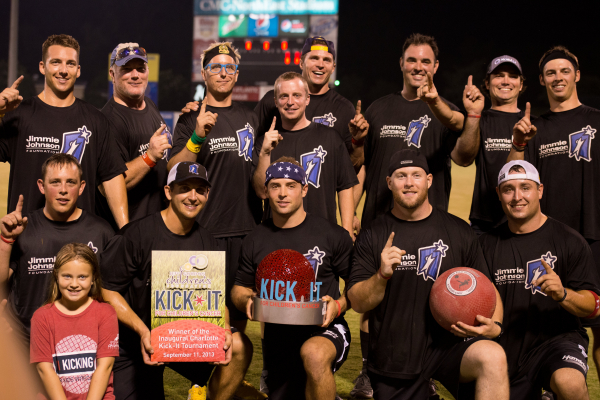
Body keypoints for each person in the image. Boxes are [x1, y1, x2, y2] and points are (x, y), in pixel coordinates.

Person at [350, 33, 483, 398]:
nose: (418, 67)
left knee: (428, 294)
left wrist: (456, 109)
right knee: (375, 297)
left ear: (435, 67)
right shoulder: (379, 108)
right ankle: (368, 370)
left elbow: (466, 153)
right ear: (401, 63)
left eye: (426, 61)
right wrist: (352, 212)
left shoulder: (444, 110)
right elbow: (360, 164)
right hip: (381, 218)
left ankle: (426, 372)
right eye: (412, 60)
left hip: (429, 221)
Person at [347, 149, 509, 400]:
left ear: (429, 180)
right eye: (401, 176)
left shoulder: (459, 231)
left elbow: (486, 284)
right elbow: (358, 302)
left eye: (416, 175)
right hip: (396, 354)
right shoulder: (373, 234)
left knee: (492, 356)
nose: (409, 183)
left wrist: (495, 326)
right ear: (389, 182)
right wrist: (381, 276)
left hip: (450, 346)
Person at [99, 161, 252, 400]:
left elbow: (215, 299)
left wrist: (224, 328)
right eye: (185, 188)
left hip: (182, 336)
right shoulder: (136, 235)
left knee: (239, 345)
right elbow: (106, 289)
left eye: (200, 190)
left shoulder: (208, 242)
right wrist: (142, 331)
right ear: (168, 192)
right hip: (134, 341)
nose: (192, 196)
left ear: (207, 195)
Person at [508, 45, 600, 382]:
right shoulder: (535, 128)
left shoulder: (596, 120)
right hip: (552, 243)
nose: (558, 77)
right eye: (550, 73)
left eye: (564, 71)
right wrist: (518, 142)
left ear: (577, 75)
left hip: (595, 237)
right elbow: (512, 177)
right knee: (548, 322)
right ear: (542, 80)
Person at [232, 158, 353, 400]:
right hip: (278, 338)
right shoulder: (255, 239)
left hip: (324, 331)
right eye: (275, 186)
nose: (282, 193)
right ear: (266, 191)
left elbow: (356, 286)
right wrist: (247, 299)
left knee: (314, 355)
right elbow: (239, 288)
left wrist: (338, 305)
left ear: (304, 189)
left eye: (291, 185)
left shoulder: (332, 235)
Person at [480, 160, 600, 399]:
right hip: (505, 345)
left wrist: (563, 294)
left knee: (570, 384)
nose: (517, 197)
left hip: (557, 341)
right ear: (499, 194)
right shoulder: (484, 246)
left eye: (525, 187)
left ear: (540, 190)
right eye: (508, 189)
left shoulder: (569, 241)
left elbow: (592, 306)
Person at [168, 41, 261, 333]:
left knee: (238, 321)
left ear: (237, 74)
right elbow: (174, 170)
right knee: (202, 322)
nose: (223, 73)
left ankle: (232, 366)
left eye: (229, 67)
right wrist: (197, 136)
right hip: (204, 231)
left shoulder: (251, 117)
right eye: (216, 67)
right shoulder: (189, 118)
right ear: (204, 73)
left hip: (246, 232)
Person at [0, 34, 129, 228]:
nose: (63, 70)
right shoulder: (19, 115)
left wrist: (125, 230)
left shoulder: (96, 120)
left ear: (78, 70)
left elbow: (112, 178)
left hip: (80, 240)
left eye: (70, 64)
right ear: (42, 67)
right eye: (56, 62)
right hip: (27, 236)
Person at [0, 153, 114, 344]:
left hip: (79, 342)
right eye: (55, 182)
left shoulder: (101, 232)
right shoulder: (23, 228)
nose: (63, 190)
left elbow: (112, 291)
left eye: (70, 182)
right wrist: (6, 241)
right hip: (25, 341)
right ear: (41, 186)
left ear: (81, 187)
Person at [252, 71, 357, 239]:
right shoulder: (265, 143)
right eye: (284, 96)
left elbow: (345, 186)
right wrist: (265, 153)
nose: (290, 102)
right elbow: (261, 192)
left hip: (322, 237)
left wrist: (347, 231)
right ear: (276, 101)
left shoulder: (330, 138)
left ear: (307, 99)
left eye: (297, 95)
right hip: (276, 237)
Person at [254, 36, 368, 167]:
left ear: (333, 67)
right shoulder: (273, 100)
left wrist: (358, 142)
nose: (320, 65)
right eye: (314, 58)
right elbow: (249, 146)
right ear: (301, 63)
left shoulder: (344, 108)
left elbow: (351, 168)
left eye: (326, 60)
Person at [97, 42, 172, 230]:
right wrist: (149, 157)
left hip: (157, 227)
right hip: (129, 232)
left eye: (140, 68)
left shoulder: (149, 105)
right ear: (112, 74)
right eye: (127, 69)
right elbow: (109, 184)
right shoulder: (108, 121)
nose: (135, 75)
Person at [30, 243, 119, 400]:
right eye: (67, 276)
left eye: (82, 277)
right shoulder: (41, 317)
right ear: (56, 276)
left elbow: (105, 367)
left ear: (93, 278)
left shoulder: (106, 313)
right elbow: (44, 369)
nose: (74, 284)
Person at [466, 56, 528, 234]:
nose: (506, 81)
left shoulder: (532, 124)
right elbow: (463, 157)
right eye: (499, 75)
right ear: (487, 83)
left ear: (521, 84)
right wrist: (473, 115)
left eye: (513, 76)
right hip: (484, 222)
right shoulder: (477, 121)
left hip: (524, 219)